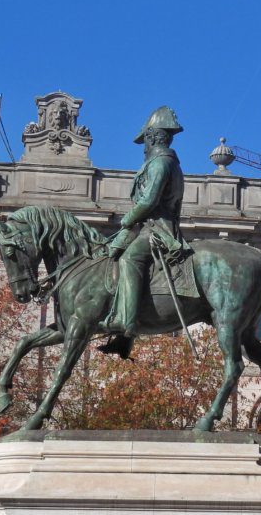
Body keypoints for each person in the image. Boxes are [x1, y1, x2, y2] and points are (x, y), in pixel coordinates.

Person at [100, 106, 186, 354]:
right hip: (150, 226)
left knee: (130, 258)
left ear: (152, 137)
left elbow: (148, 201)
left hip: (158, 230)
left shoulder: (160, 164)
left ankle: (125, 324)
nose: (144, 148)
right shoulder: (166, 163)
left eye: (144, 141)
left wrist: (128, 219)